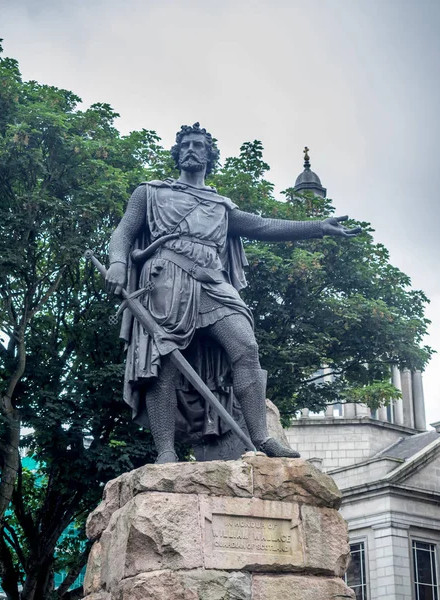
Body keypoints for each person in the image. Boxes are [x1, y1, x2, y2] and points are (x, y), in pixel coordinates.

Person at [106, 123, 361, 464]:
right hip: (166, 279)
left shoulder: (220, 206)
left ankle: (261, 438)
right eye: (185, 145)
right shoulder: (150, 193)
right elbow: (122, 232)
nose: (191, 149)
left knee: (246, 347)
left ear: (209, 156)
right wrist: (118, 263)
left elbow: (264, 226)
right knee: (163, 361)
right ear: (178, 153)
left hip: (212, 282)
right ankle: (166, 451)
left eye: (199, 145)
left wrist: (318, 227)